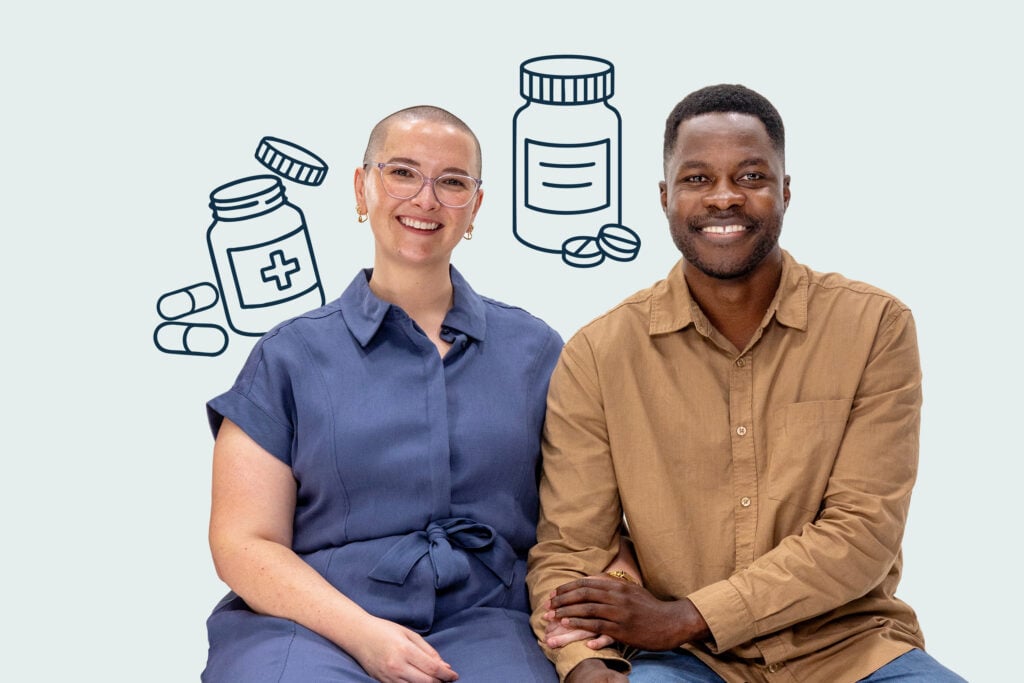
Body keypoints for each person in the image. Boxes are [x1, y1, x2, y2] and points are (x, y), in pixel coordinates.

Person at [527, 84, 966, 682]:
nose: (724, 197)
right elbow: (572, 549)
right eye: (697, 179)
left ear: (786, 190)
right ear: (665, 196)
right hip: (680, 663)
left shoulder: (873, 327)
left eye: (752, 177)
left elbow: (862, 534)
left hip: (849, 649)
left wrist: (687, 615)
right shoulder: (599, 355)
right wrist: (585, 663)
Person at [201, 105, 563, 682]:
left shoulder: (535, 350)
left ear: (475, 207)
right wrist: (364, 635)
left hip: (489, 617)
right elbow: (244, 542)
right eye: (402, 173)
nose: (425, 199)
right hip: (311, 619)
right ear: (361, 187)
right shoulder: (287, 356)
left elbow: (586, 513)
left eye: (452, 182)